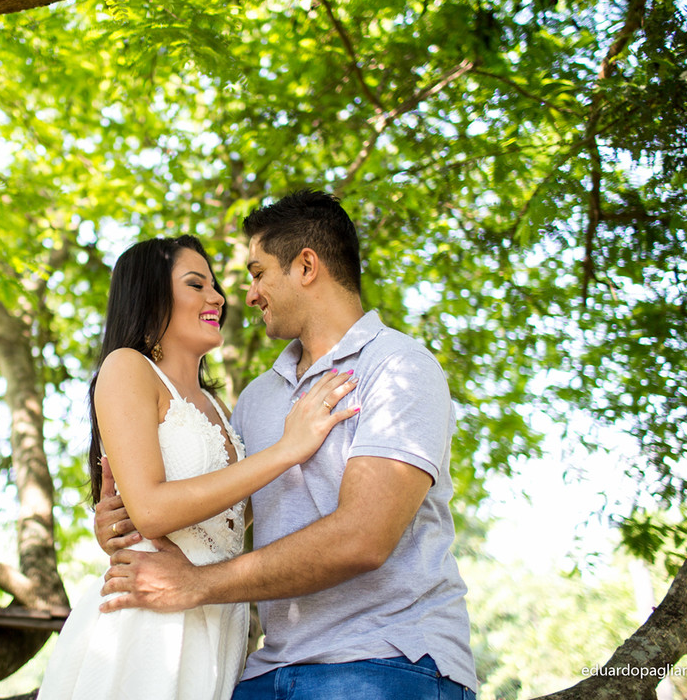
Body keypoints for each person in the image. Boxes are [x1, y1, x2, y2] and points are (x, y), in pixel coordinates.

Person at [96, 191, 478, 699]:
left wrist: (197, 583)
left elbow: (362, 538)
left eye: (257, 273)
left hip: (388, 659)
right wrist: (128, 527)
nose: (245, 296)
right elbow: (226, 514)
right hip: (264, 671)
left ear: (305, 266)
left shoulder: (398, 367)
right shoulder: (257, 399)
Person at [38, 235, 358, 700]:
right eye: (196, 284)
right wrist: (287, 449)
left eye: (214, 286)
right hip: (146, 621)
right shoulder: (127, 367)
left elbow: (229, 512)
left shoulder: (221, 408)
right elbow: (149, 511)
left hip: (216, 621)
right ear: (150, 295)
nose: (218, 298)